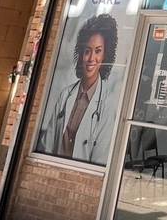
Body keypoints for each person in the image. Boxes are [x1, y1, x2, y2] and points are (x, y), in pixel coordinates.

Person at [36, 13, 119, 165]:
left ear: (105, 56)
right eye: (87, 51)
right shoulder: (66, 95)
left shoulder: (108, 105)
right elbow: (47, 144)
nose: (91, 58)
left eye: (98, 51)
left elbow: (100, 158)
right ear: (81, 54)